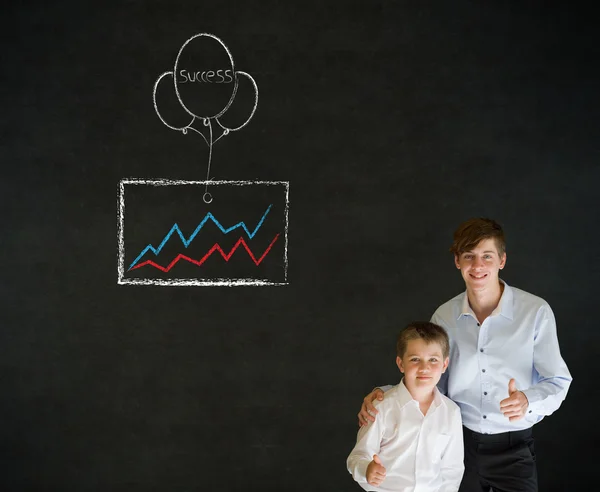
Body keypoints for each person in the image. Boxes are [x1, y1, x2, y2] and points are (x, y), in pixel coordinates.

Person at [357, 218, 572, 492]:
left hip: (514, 447)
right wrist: (384, 393)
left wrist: (527, 400)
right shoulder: (444, 316)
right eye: (469, 256)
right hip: (458, 443)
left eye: (487, 256)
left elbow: (558, 380)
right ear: (458, 261)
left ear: (502, 260)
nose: (478, 265)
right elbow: (431, 378)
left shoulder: (535, 312)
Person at [347, 321, 464, 492]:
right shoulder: (382, 407)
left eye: (433, 360)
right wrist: (367, 470)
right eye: (415, 359)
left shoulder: (451, 412)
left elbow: (452, 469)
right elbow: (357, 457)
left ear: (444, 365)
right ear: (401, 364)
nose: (425, 368)